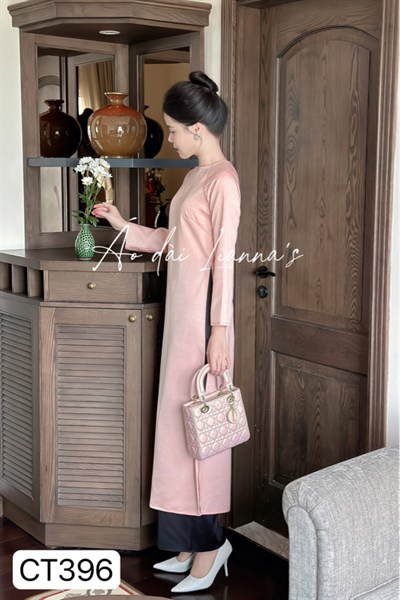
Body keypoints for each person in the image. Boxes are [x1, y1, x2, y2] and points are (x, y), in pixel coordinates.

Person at [92, 71, 241, 594]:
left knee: (203, 435)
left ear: (197, 128)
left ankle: (211, 549)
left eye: (174, 130)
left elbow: (224, 263)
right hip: (181, 320)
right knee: (179, 434)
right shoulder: (195, 177)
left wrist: (220, 331)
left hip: (203, 324)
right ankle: (186, 544)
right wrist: (122, 226)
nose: (169, 138)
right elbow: (175, 242)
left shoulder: (223, 181)